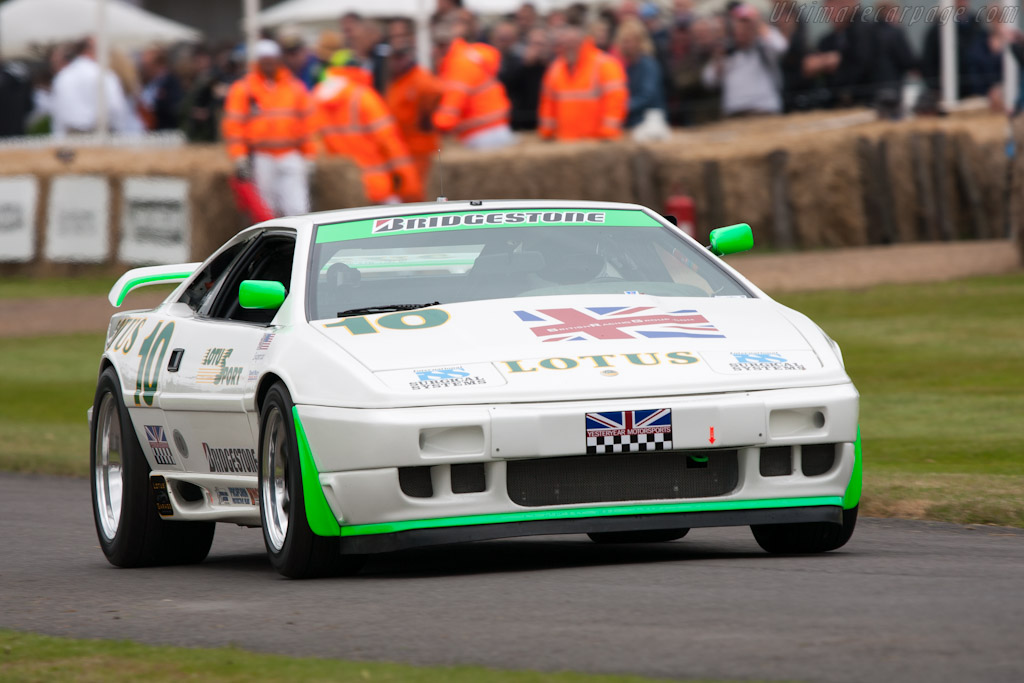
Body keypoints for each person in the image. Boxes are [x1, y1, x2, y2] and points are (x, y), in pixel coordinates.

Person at [222, 39, 316, 217]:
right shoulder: (244, 89)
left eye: (272, 61)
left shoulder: (294, 87)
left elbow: (308, 125)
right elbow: (234, 127)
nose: (269, 65)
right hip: (261, 154)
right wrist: (239, 156)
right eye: (265, 61)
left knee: (298, 207)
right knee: (266, 209)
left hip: (290, 152)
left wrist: (309, 155)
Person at [314, 60, 422, 204]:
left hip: (339, 188)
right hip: (376, 186)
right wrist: (409, 184)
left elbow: (312, 141)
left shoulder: (317, 96)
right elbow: (389, 140)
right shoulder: (365, 97)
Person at [432, 21, 515, 149]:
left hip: (482, 134)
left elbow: (450, 110)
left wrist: (431, 129)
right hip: (494, 128)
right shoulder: (467, 56)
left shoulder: (458, 65)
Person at [538, 21, 627, 140]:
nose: (570, 47)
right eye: (566, 44)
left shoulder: (605, 65)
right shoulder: (555, 69)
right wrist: (547, 132)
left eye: (574, 43)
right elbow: (548, 104)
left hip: (596, 140)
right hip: (565, 140)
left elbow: (616, 101)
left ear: (584, 42)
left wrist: (608, 134)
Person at [385, 18, 443, 196]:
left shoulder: (419, 78)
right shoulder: (396, 81)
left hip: (420, 148)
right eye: (394, 58)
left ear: (409, 56)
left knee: (416, 193)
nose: (397, 62)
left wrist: (425, 118)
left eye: (401, 57)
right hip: (403, 148)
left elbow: (436, 93)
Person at [701, 4, 788, 116]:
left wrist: (759, 26)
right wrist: (719, 58)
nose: (743, 30)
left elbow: (781, 47)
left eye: (747, 26)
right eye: (739, 25)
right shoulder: (726, 51)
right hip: (735, 113)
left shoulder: (764, 46)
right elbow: (709, 81)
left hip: (765, 110)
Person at [51, 37, 132, 136]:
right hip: (100, 135)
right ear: (91, 49)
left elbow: (58, 114)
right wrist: (120, 133)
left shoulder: (63, 76)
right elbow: (116, 107)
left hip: (72, 136)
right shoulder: (104, 74)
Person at [803, 0, 877, 108]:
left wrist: (838, 62)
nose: (831, 9)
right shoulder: (827, 40)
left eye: (837, 3)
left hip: (866, 102)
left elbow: (862, 65)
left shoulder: (865, 31)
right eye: (828, 4)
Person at [614, 17, 667, 129]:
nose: (624, 45)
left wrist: (623, 107)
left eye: (628, 41)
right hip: (635, 123)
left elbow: (647, 96)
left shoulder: (648, 65)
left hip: (649, 122)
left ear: (639, 41)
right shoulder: (629, 66)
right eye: (623, 41)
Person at [501, 27, 551, 131]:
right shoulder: (515, 62)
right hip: (519, 122)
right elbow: (505, 86)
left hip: (543, 121)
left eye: (540, 44)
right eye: (534, 44)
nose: (537, 49)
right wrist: (525, 65)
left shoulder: (554, 67)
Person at [140, 47, 184, 131]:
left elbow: (175, 106)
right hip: (152, 126)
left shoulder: (171, 81)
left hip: (166, 127)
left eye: (149, 65)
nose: (147, 69)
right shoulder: (151, 81)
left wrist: (156, 105)